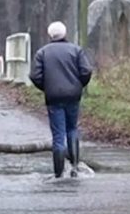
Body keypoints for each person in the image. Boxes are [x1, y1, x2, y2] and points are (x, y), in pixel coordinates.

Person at [29, 21, 93, 178]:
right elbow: (86, 71)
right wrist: (78, 86)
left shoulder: (42, 53)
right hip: (73, 95)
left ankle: (58, 173)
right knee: (72, 129)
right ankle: (75, 167)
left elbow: (35, 76)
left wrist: (46, 87)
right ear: (65, 33)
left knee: (58, 135)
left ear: (50, 35)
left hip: (53, 97)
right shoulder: (76, 50)